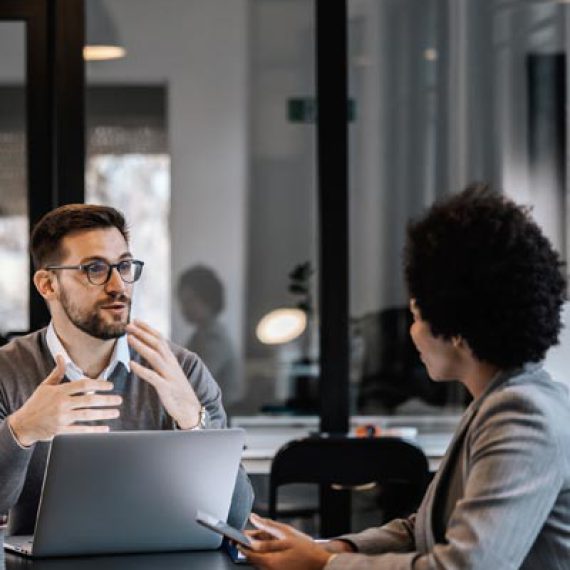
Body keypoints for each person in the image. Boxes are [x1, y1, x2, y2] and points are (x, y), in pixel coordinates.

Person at [241, 185, 570, 569]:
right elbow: (426, 529)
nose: (411, 333)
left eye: (416, 316)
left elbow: (466, 567)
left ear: (456, 329)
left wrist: (319, 564)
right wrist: (331, 548)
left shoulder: (522, 415)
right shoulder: (500, 400)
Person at [0, 204, 253, 535]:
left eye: (124, 266)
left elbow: (234, 519)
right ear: (48, 284)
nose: (118, 285)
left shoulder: (182, 371)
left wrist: (193, 422)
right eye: (94, 269)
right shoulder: (7, 372)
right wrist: (21, 430)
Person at [177, 265, 244, 407]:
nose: (184, 308)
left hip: (223, 416)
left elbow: (196, 381)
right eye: (182, 301)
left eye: (190, 301)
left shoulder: (215, 338)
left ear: (208, 300)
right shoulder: (198, 335)